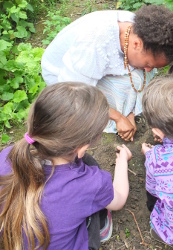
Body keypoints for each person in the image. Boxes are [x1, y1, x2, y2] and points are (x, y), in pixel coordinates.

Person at [0, 82, 132, 250]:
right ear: (82, 148)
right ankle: (101, 227)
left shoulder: (9, 154)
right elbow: (119, 199)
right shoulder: (90, 183)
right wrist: (121, 162)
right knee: (92, 175)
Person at [41, 5, 173, 141]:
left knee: (141, 76)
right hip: (65, 79)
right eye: (148, 64)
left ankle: (129, 111)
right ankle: (118, 115)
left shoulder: (143, 31)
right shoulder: (93, 45)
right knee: (128, 83)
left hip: (90, 66)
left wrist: (130, 115)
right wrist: (118, 117)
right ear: (136, 44)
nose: (150, 70)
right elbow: (77, 93)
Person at [141, 75, 173, 246]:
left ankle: (161, 233)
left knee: (155, 208)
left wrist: (149, 154)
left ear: (158, 132)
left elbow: (152, 190)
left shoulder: (156, 159)